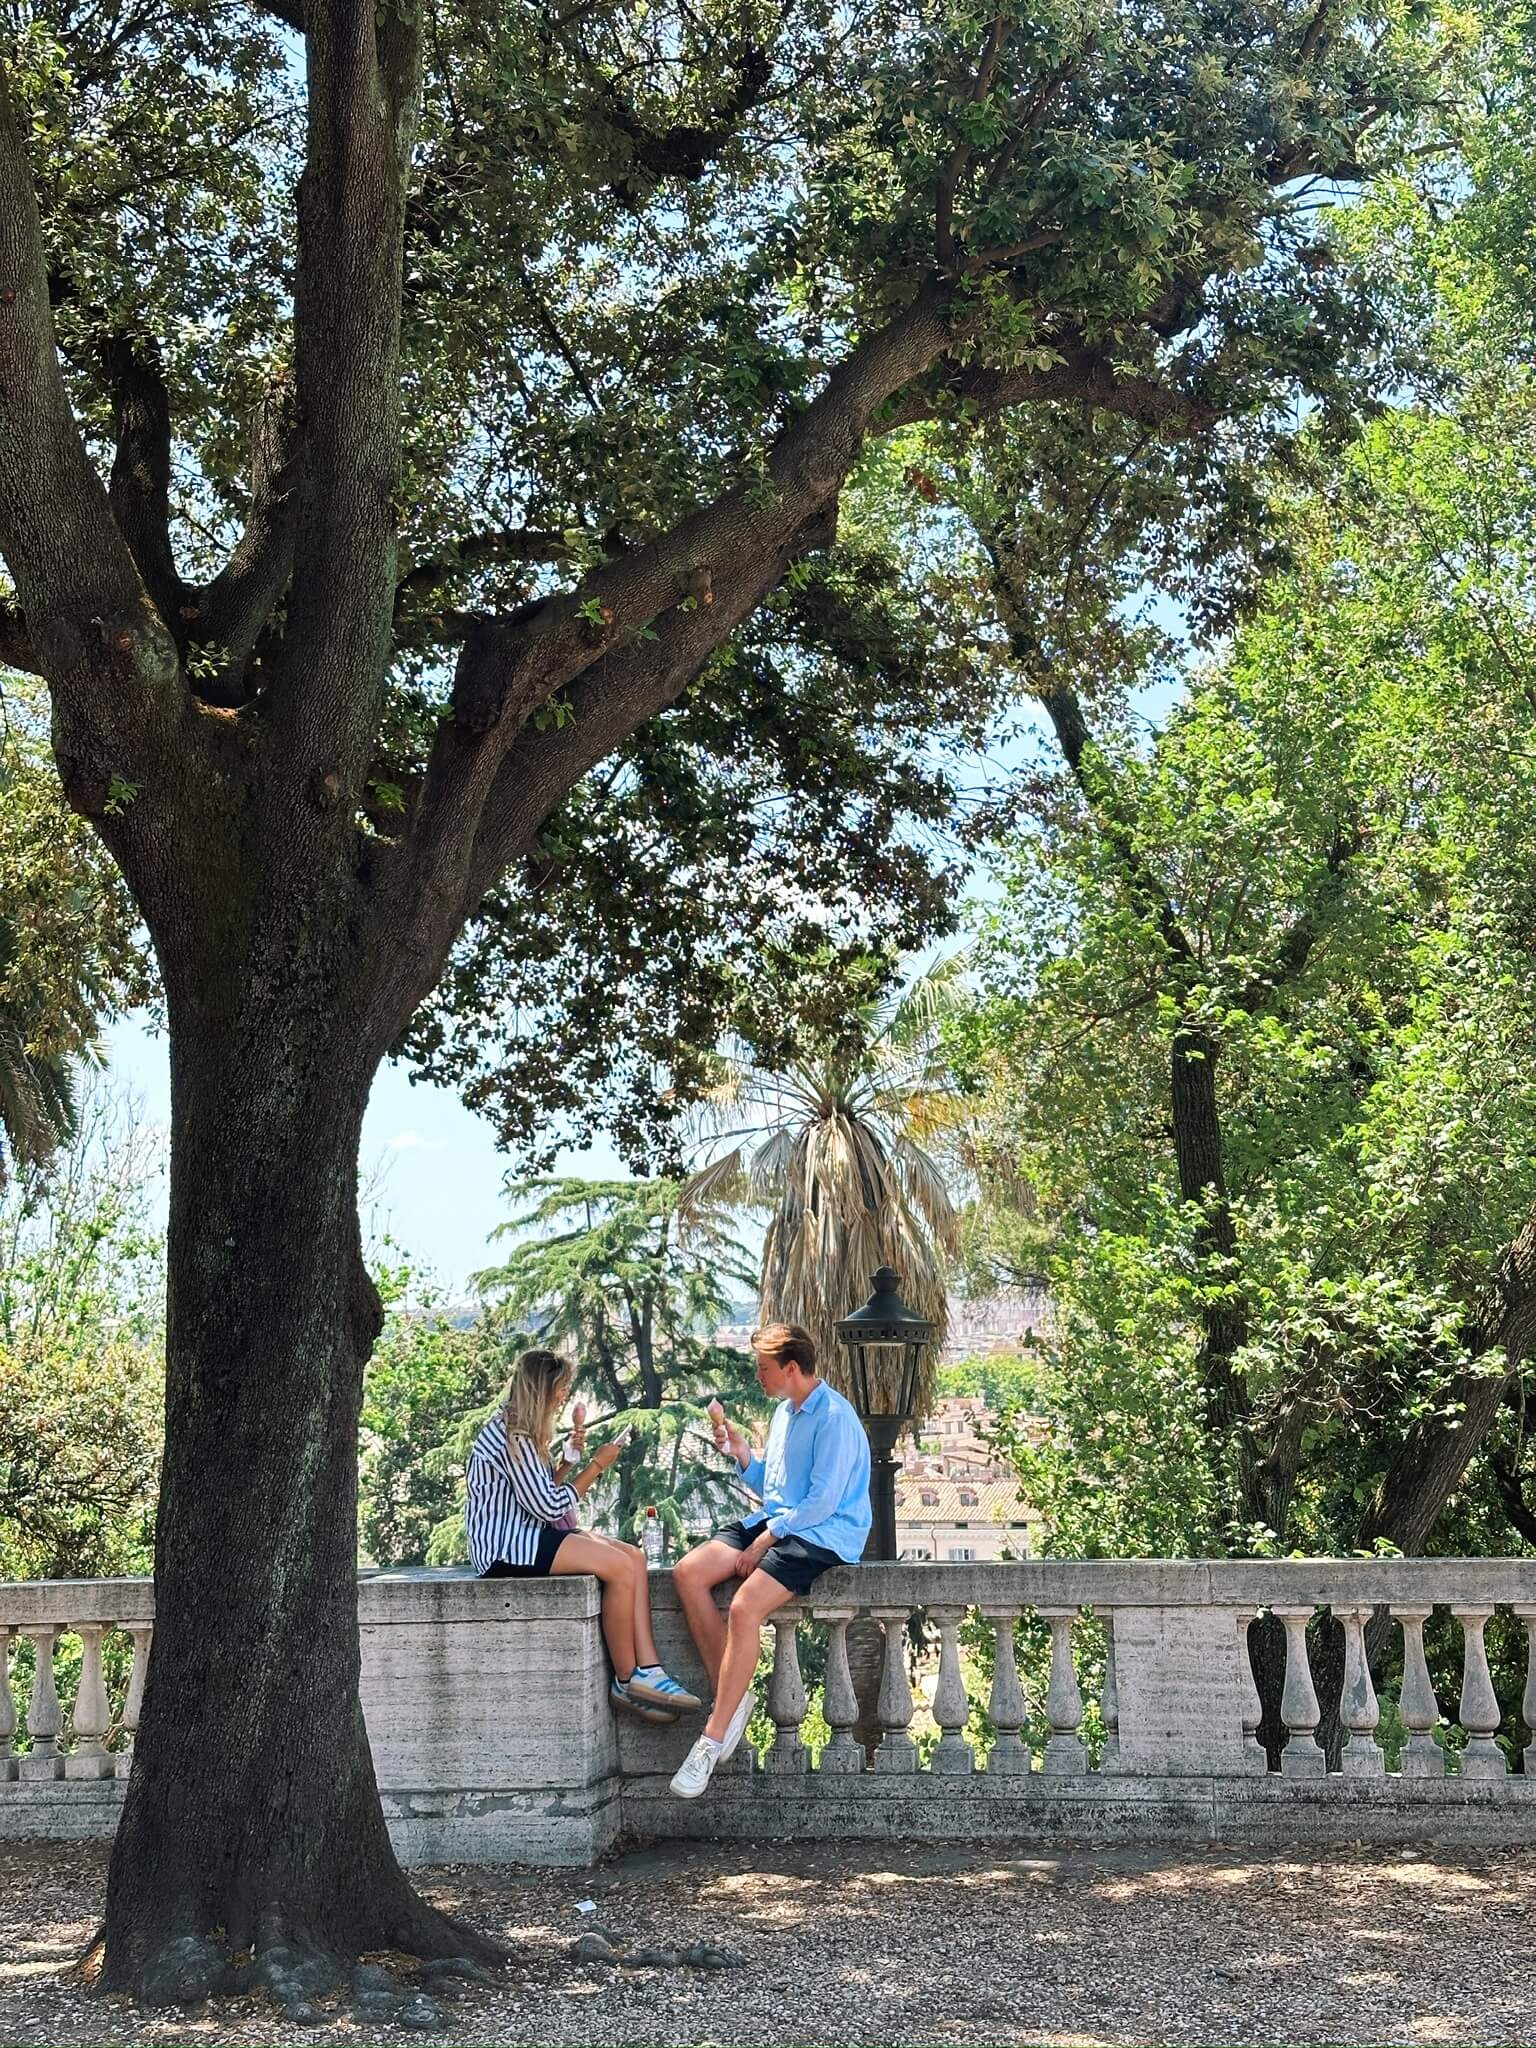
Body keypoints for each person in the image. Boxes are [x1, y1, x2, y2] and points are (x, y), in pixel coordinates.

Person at [668, 1321, 870, 1798]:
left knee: (744, 1607)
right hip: (780, 1520)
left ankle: (711, 1739)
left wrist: (765, 1541)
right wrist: (743, 1455)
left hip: (824, 1533)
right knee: (689, 1572)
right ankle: (733, 1701)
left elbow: (822, 1502)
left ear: (791, 1367)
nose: (758, 1376)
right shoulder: (784, 1413)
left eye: (764, 1368)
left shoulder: (834, 1418)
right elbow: (775, 1490)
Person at [465, 1348, 702, 1724]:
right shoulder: (512, 1437)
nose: (564, 1395)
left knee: (634, 1557)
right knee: (618, 1568)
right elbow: (547, 1507)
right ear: (542, 1389)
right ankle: (627, 1680)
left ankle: (650, 1668)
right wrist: (596, 1466)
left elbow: (538, 1493)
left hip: (525, 1535)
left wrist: (566, 1464)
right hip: (506, 1548)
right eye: (561, 1387)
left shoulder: (517, 1429)